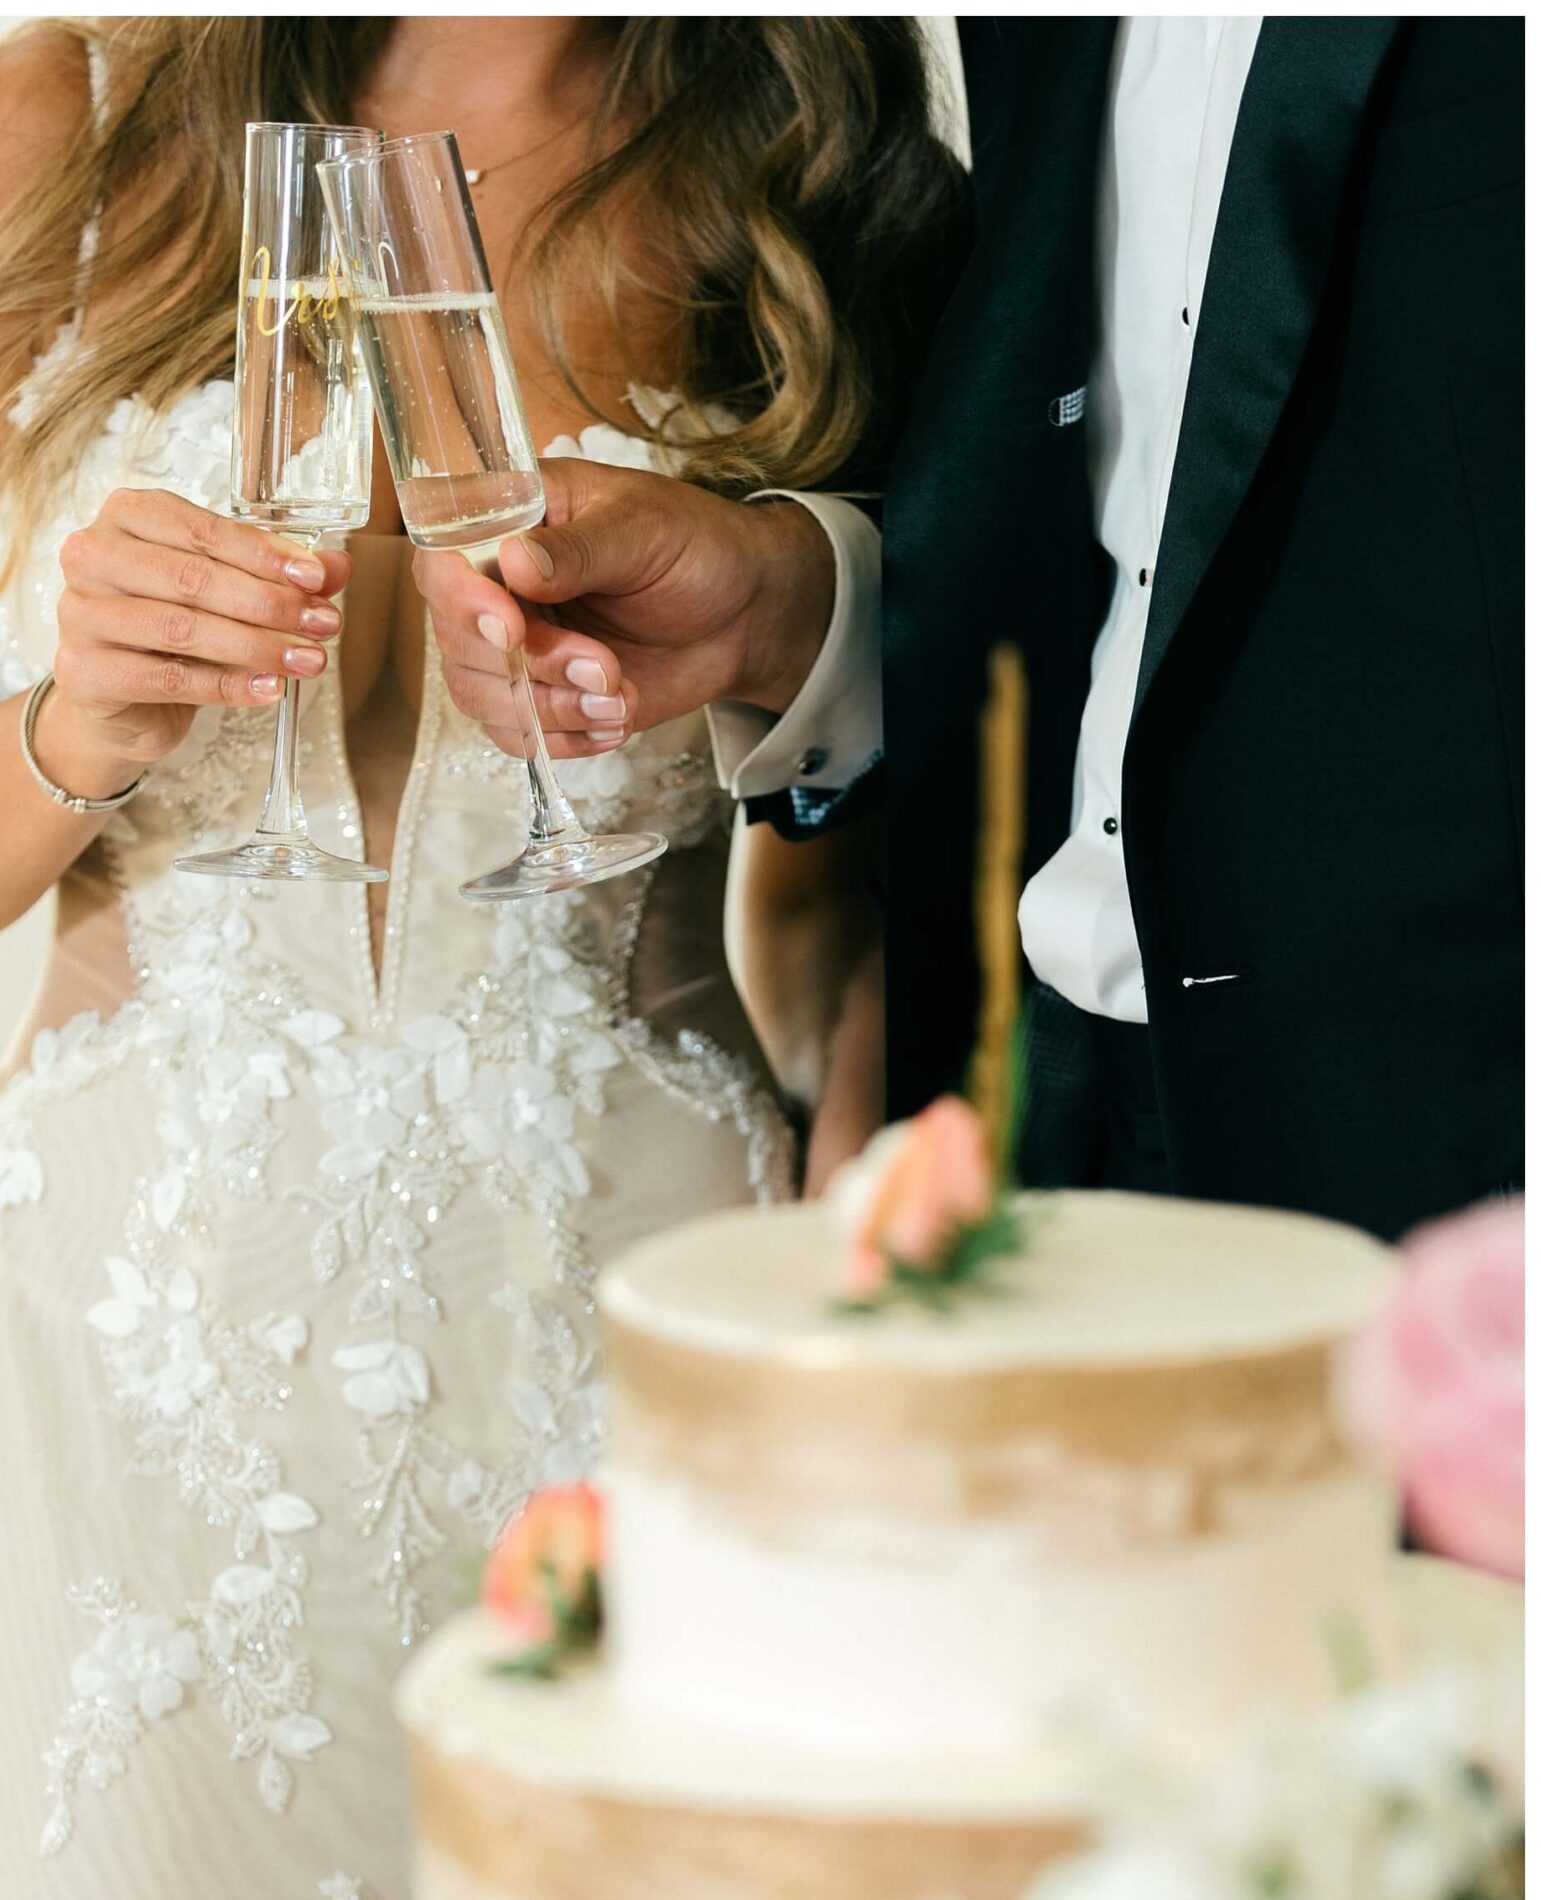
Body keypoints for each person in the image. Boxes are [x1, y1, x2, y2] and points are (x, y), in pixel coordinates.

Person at [0, 15, 967, 1900]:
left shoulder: (814, 162)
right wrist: (75, 722)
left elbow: (880, 897)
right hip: (126, 1400)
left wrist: (864, 1360)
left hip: (630, 1358)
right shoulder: (50, 130)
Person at [420, 17, 1523, 1244]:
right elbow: (1073, 531)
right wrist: (796, 608)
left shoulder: (811, 136)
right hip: (1039, 1100)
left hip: (1444, 1145)